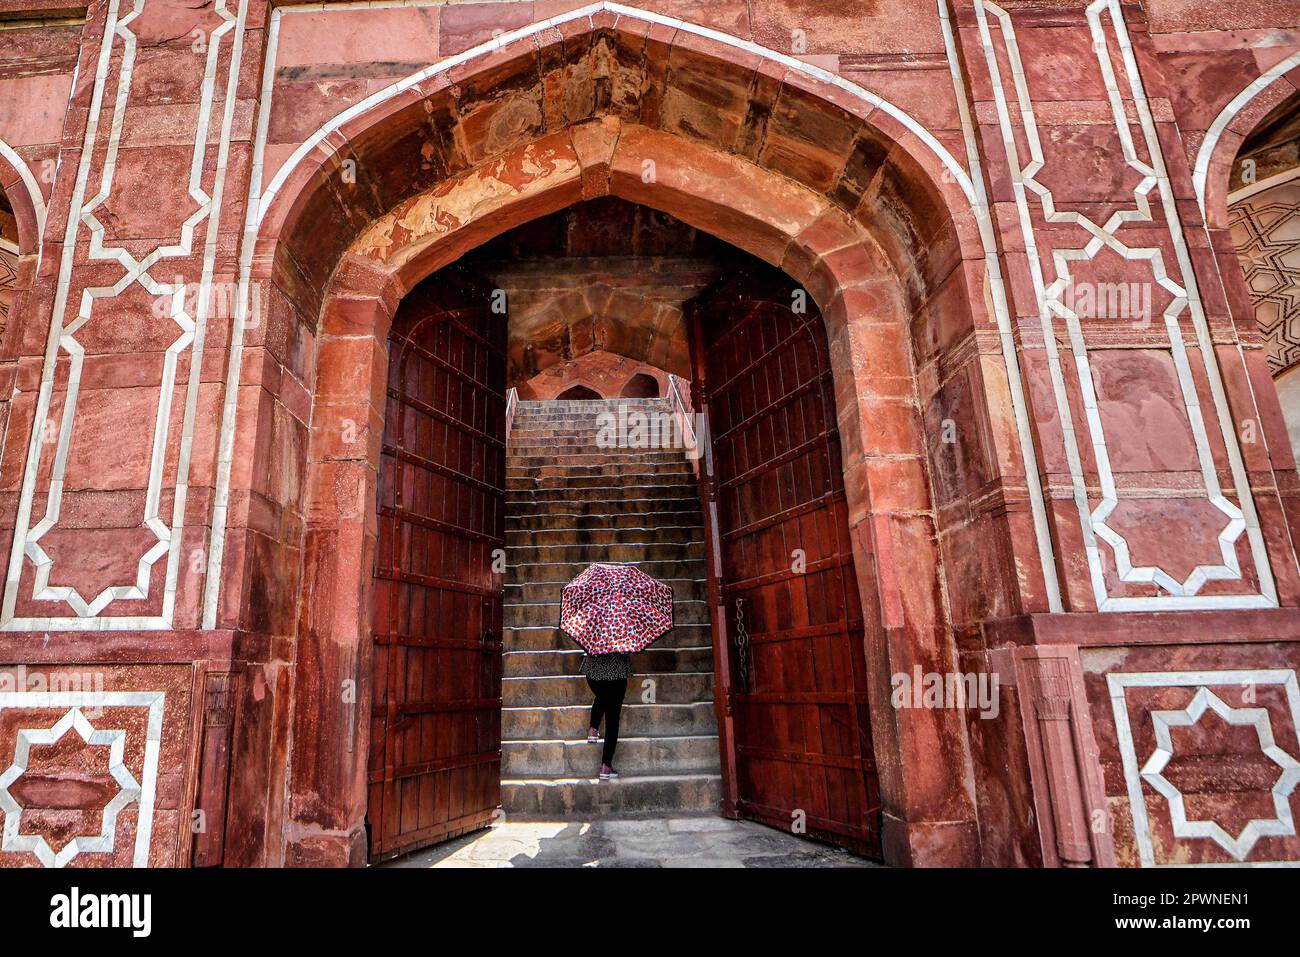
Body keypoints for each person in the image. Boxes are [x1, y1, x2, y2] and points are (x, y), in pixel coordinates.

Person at [581, 650, 631, 780]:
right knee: (612, 722)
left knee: (602, 696)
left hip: (594, 673)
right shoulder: (623, 632)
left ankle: (593, 728)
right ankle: (606, 766)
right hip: (617, 675)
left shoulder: (595, 632)